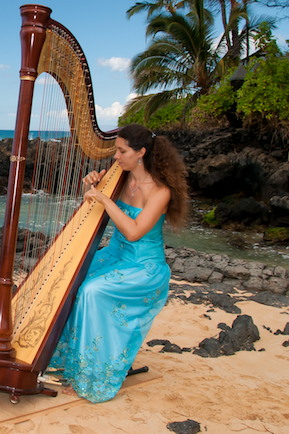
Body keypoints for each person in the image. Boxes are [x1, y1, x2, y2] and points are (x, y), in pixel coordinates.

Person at [48, 123, 189, 403]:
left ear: (141, 153)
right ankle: (67, 358)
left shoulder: (161, 191)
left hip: (143, 267)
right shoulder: (119, 179)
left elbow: (134, 231)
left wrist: (103, 198)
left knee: (91, 292)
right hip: (114, 256)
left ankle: (89, 374)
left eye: (121, 151)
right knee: (70, 275)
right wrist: (93, 187)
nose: (116, 157)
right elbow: (94, 211)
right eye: (116, 150)